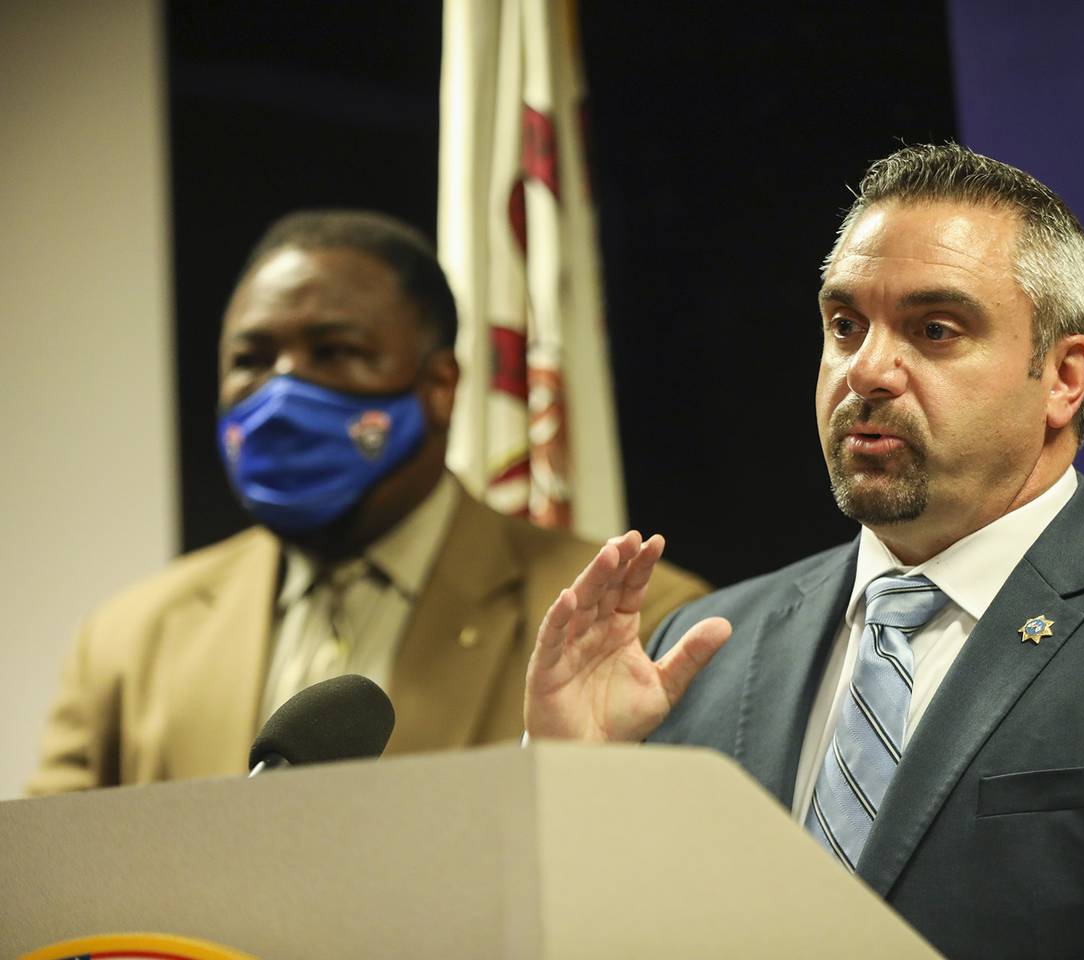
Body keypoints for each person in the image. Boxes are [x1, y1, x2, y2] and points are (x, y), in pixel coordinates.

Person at [523, 145, 1084, 958]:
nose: (867, 371)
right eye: (845, 325)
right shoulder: (702, 649)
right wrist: (572, 791)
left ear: (1065, 378)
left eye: (933, 329)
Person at [28, 210, 706, 795]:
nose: (283, 391)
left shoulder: (631, 621)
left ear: (439, 386)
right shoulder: (129, 640)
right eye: (252, 360)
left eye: (336, 351)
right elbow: (43, 898)